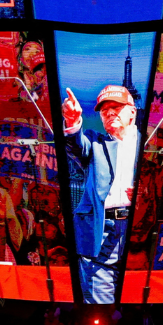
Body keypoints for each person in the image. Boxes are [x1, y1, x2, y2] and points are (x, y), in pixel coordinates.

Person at [62, 84, 141, 304]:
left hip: (138, 233)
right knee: (100, 302)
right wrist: (71, 121)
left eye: (116, 107)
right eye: (104, 111)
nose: (110, 113)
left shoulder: (150, 143)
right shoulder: (95, 143)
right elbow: (76, 145)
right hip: (101, 231)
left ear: (132, 111)